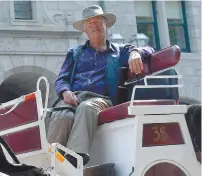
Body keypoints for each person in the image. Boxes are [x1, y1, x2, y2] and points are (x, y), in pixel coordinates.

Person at [47, 5, 154, 167]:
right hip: (74, 97)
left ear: (107, 25)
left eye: (98, 21)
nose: (94, 25)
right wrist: (65, 92)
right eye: (89, 23)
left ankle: (73, 161)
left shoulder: (120, 51)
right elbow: (61, 79)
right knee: (63, 115)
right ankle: (48, 163)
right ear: (85, 29)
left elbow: (150, 48)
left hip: (101, 100)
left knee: (86, 107)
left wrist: (135, 53)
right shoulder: (75, 53)